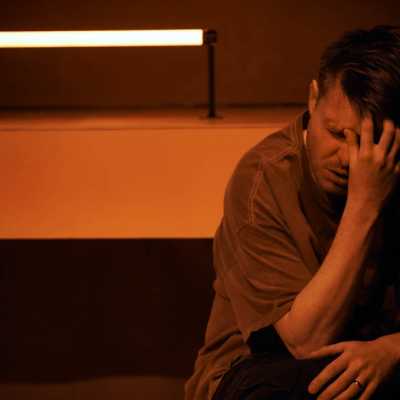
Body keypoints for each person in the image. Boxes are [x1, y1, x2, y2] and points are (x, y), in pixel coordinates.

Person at [185, 25, 400, 400]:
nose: (349, 159)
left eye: (369, 142)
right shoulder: (263, 179)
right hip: (258, 368)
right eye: (337, 134)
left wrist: (393, 350)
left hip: (373, 354)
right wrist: (365, 203)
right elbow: (306, 341)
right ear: (313, 100)